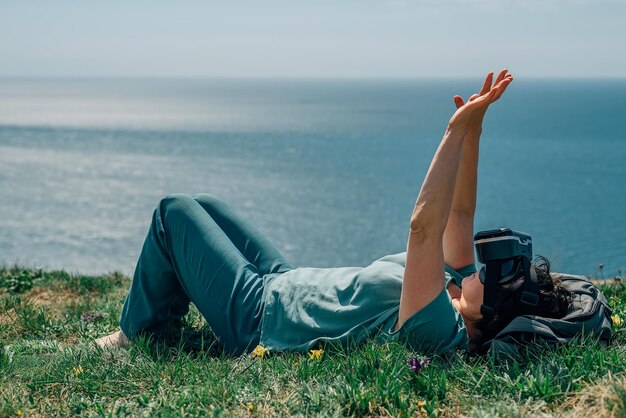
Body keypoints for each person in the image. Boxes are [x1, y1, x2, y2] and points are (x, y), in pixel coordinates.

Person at [96, 70, 572, 356]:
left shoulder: (436, 329)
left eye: (490, 276)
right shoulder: (454, 285)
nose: (480, 267)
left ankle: (138, 333)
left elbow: (423, 228)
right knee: (206, 207)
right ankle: (163, 310)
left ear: (488, 311)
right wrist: (475, 130)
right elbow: (460, 213)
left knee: (173, 213)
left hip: (258, 318)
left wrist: (451, 131)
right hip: (283, 281)